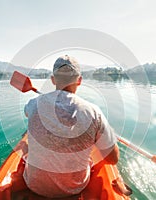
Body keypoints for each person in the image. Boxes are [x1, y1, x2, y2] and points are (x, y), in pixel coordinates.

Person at [23, 55, 120, 198]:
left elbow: (27, 113)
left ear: (53, 80)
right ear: (79, 80)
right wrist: (108, 133)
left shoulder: (33, 104)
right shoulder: (94, 113)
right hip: (74, 189)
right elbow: (113, 159)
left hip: (34, 185)